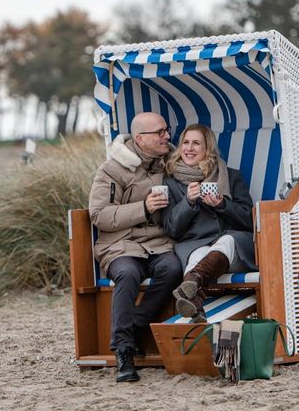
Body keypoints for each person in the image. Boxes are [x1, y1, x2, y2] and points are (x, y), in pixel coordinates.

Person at [89, 112, 182, 383]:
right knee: (127, 274)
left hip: (158, 244)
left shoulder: (171, 164)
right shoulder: (112, 169)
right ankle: (124, 350)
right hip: (119, 245)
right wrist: (143, 208)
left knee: (173, 268)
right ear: (140, 138)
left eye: (167, 130)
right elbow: (99, 215)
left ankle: (135, 326)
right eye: (160, 132)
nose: (167, 136)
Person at [162, 124, 258, 323]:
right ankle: (194, 300)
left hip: (235, 247)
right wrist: (188, 202)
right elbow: (172, 229)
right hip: (195, 244)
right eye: (185, 143)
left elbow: (249, 220)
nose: (189, 148)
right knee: (197, 255)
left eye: (196, 143)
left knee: (227, 241)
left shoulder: (230, 175)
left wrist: (223, 204)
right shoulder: (170, 182)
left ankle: (192, 282)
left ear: (208, 149)